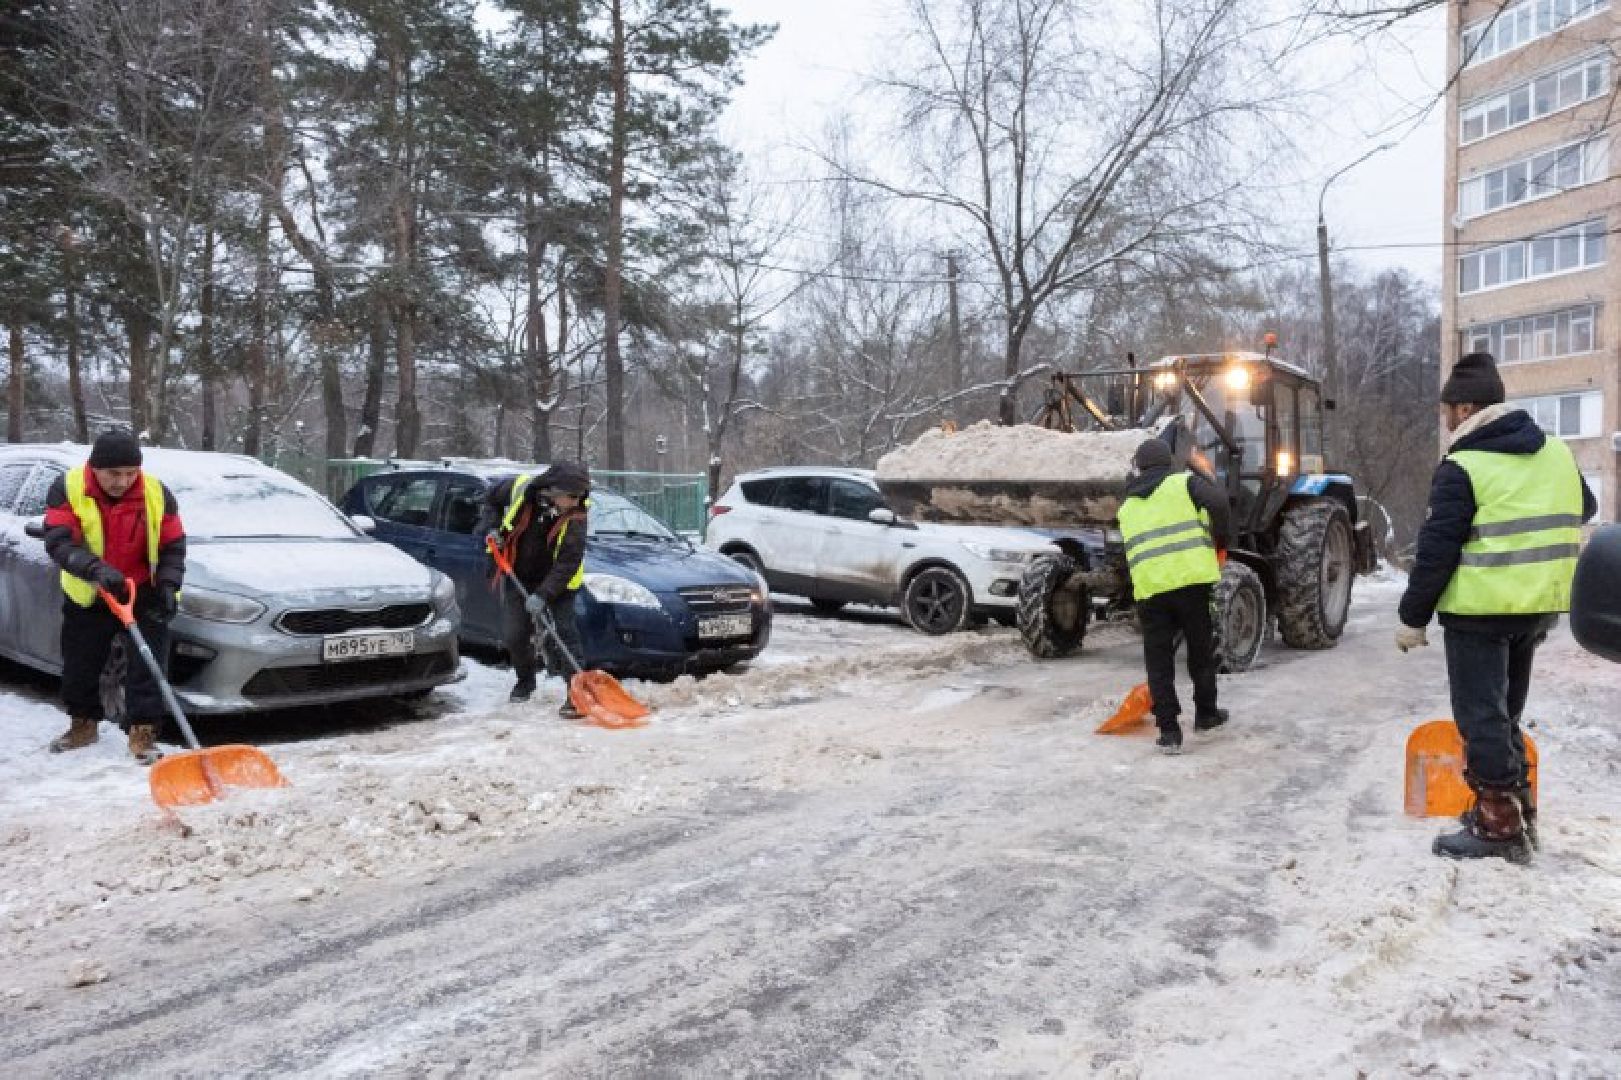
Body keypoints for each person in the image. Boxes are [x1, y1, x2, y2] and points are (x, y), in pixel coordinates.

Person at [1397, 351, 1596, 863]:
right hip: (1535, 605)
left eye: (1447, 410)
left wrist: (1412, 617)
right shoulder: (1554, 451)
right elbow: (1587, 507)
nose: (1444, 420)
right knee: (1505, 711)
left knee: (1481, 716)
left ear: (1465, 409)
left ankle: (1498, 827)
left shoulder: (1464, 466)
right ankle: (1517, 805)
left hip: (1481, 609)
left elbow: (1437, 550)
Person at [42, 429, 186, 765]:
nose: (122, 482)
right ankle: (83, 724)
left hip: (141, 590)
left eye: (129, 473)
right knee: (80, 664)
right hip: (90, 593)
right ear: (95, 468)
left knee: (148, 665)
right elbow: (59, 541)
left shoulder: (155, 492)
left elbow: (173, 545)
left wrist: (168, 585)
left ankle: (143, 731)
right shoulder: (69, 488)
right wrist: (94, 568)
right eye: (113, 474)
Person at [1117, 436, 1232, 754]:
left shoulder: (1126, 505)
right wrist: (1220, 539)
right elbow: (1220, 503)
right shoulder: (1184, 483)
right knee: (1200, 653)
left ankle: (1168, 731)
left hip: (1151, 590)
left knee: (1158, 662)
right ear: (1168, 462)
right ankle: (1206, 715)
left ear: (1138, 468)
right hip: (1192, 583)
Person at [481, 461, 591, 715]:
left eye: (581, 496)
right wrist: (491, 528)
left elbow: (568, 562)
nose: (577, 500)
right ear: (554, 490)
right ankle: (525, 681)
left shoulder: (577, 515)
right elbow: (490, 499)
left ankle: (577, 695)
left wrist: (543, 594)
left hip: (558, 582)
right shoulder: (521, 488)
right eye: (572, 495)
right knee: (514, 634)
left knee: (565, 633)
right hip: (517, 573)